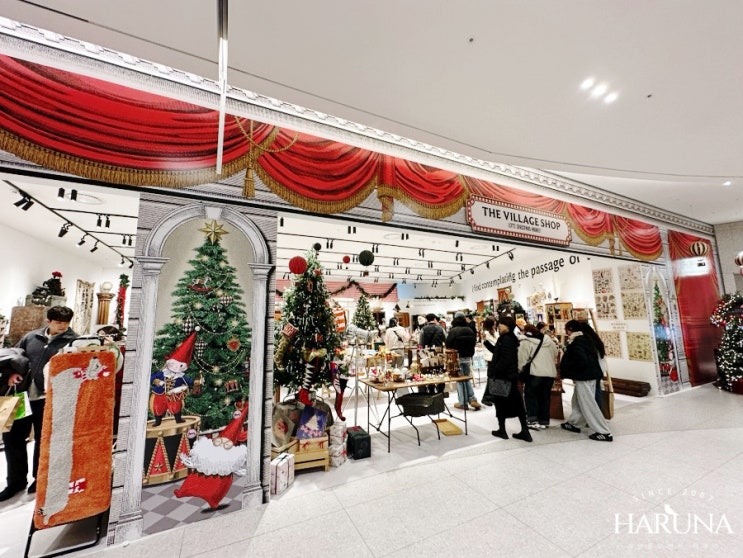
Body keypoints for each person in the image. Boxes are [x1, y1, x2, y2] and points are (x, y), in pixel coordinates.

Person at [1, 306, 77, 501]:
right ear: (48, 321)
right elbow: (15, 356)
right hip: (21, 395)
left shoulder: (74, 341)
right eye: (58, 322)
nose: (63, 326)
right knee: (12, 439)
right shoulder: (31, 337)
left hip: (49, 400)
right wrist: (12, 374)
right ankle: (15, 482)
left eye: (66, 322)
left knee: (45, 441)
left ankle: (40, 479)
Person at [559, 320, 613, 441]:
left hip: (584, 377)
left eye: (566, 329)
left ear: (570, 329)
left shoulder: (577, 342)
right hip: (591, 375)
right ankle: (575, 423)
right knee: (578, 401)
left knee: (588, 403)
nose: (565, 332)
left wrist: (570, 370)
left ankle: (603, 432)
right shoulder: (587, 339)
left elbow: (581, 360)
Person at [483, 316, 532, 442]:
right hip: (509, 377)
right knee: (517, 404)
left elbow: (506, 359)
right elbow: (498, 352)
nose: (499, 326)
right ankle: (524, 431)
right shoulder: (508, 338)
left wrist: (495, 370)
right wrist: (486, 343)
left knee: (501, 403)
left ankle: (503, 430)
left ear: (508, 326)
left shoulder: (507, 339)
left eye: (501, 324)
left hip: (503, 377)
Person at [518, 324, 558, 430]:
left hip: (535, 373)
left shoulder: (526, 341)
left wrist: (520, 370)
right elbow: (555, 353)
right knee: (545, 397)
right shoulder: (548, 340)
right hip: (549, 373)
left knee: (530, 395)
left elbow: (522, 358)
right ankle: (544, 421)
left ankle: (532, 420)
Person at [446, 312, 481, 411]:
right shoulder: (469, 329)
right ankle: (472, 399)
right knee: (467, 378)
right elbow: (474, 342)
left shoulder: (453, 330)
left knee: (460, 380)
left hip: (456, 358)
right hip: (468, 358)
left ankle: (463, 403)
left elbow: (448, 344)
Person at [578, 321, 608, 409]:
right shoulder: (596, 339)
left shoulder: (587, 341)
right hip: (599, 369)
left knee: (591, 393)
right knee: (597, 390)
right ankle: (598, 410)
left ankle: (594, 412)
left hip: (592, 370)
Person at [418, 313, 446, 394]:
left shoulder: (423, 329)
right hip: (439, 354)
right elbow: (446, 339)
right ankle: (440, 391)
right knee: (440, 371)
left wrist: (420, 353)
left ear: (427, 320)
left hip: (427, 354)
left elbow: (420, 343)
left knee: (429, 372)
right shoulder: (440, 328)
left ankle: (431, 391)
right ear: (434, 319)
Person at [479, 316, 498, 406]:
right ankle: (486, 397)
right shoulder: (486, 333)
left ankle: (491, 396)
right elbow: (492, 344)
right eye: (494, 323)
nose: (495, 324)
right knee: (491, 378)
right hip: (491, 357)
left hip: (494, 357)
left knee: (493, 378)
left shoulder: (493, 331)